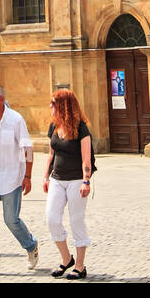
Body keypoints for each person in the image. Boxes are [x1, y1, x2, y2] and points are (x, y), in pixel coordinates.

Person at [0, 84, 39, 277]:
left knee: (11, 220)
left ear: (1, 100)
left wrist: (27, 176)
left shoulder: (16, 120)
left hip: (11, 177)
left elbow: (27, 148)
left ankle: (31, 245)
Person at [43, 89, 94, 280]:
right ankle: (66, 258)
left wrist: (86, 181)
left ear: (63, 106)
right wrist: (46, 177)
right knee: (52, 219)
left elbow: (86, 158)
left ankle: (80, 266)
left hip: (76, 181)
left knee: (76, 221)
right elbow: (51, 154)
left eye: (53, 103)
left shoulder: (81, 128)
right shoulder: (53, 127)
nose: (50, 106)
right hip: (57, 179)